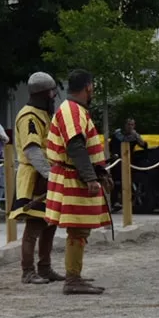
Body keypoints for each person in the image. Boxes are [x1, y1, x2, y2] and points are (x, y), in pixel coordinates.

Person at [44, 70, 112, 295]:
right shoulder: (72, 111)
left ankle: (75, 275)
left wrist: (99, 171)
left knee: (80, 231)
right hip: (72, 177)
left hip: (73, 174)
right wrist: (90, 177)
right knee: (77, 230)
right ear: (89, 87)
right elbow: (75, 145)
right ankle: (72, 279)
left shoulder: (73, 110)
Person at [9, 72, 64, 284]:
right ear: (43, 93)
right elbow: (32, 150)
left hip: (46, 175)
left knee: (49, 224)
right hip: (35, 177)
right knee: (34, 227)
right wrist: (49, 176)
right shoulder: (29, 116)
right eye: (51, 92)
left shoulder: (43, 114)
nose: (53, 96)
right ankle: (27, 272)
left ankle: (45, 268)